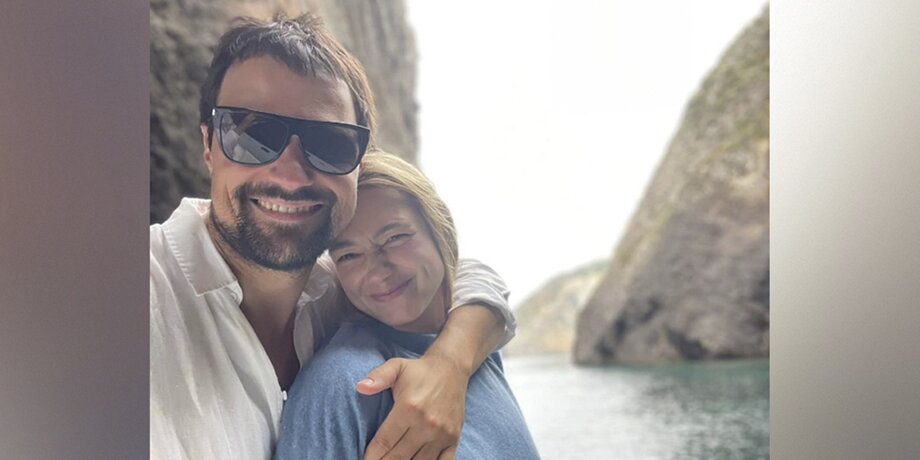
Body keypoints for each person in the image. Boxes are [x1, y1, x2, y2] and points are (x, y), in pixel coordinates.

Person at [150, 13, 516, 460]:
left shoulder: (337, 290)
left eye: (329, 143)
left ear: (358, 164)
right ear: (209, 145)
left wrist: (450, 364)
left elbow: (470, 276)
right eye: (252, 135)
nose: (289, 175)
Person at [275, 152, 539, 459]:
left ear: (440, 229)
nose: (378, 271)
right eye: (349, 255)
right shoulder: (343, 382)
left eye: (395, 238)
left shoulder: (476, 344)